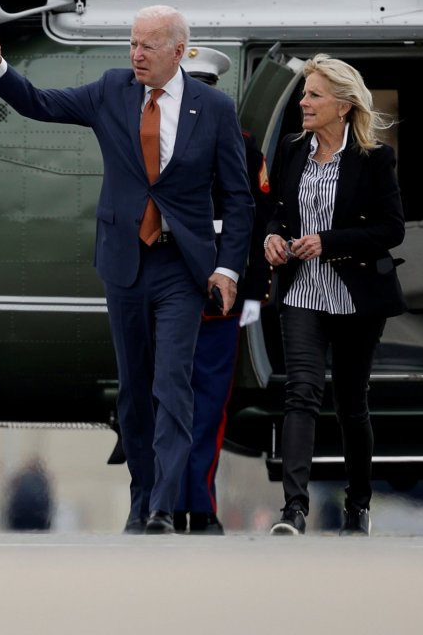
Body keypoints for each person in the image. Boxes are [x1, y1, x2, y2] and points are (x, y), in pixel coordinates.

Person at [0, 7, 254, 535]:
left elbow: (238, 199)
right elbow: (42, 104)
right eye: (132, 44)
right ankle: (142, 498)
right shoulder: (111, 90)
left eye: (147, 46)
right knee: (134, 390)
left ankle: (165, 507)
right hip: (124, 263)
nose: (136, 54)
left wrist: (228, 270)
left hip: (181, 268)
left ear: (178, 51)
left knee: (173, 385)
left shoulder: (213, 108)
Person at [263, 55, 406, 536]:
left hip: (356, 294)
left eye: (313, 95)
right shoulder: (290, 149)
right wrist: (273, 237)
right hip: (301, 289)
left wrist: (329, 240)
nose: (303, 102)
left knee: (350, 401)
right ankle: (294, 510)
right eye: (305, 94)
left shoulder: (374, 158)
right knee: (300, 392)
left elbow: (392, 229)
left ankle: (358, 505)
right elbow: (277, 211)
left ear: (342, 105)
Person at [172, 47, 273, 535]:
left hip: (219, 286)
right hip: (168, 283)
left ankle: (199, 504)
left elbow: (251, 218)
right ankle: (167, 503)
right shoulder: (152, 134)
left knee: (209, 403)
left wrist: (253, 288)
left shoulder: (242, 143)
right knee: (170, 401)